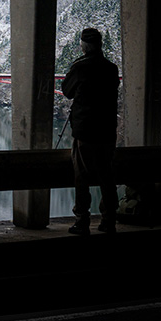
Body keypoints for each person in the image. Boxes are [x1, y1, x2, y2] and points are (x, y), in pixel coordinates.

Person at [61, 28, 120, 235]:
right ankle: (109, 219)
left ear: (83, 46)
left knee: (81, 177)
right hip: (107, 130)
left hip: (85, 130)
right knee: (107, 176)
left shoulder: (80, 67)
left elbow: (67, 91)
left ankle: (82, 220)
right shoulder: (111, 68)